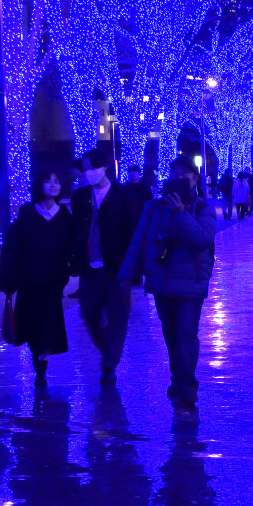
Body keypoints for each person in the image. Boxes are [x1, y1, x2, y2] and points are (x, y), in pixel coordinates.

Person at [119, 157, 217, 410]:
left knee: (186, 334)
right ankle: (177, 380)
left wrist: (181, 214)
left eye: (184, 175)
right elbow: (138, 242)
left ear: (195, 179)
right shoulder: (154, 207)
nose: (178, 179)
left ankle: (187, 387)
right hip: (161, 282)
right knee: (171, 335)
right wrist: (126, 275)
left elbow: (202, 240)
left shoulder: (202, 209)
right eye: (174, 174)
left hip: (191, 284)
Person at [69, 143, 139, 385]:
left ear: (105, 167)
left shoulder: (124, 195)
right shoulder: (79, 197)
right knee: (88, 314)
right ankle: (109, 353)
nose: (89, 172)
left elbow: (133, 232)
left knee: (117, 317)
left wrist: (132, 267)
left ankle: (110, 363)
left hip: (116, 267)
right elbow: (75, 230)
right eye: (85, 168)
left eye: (93, 167)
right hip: (89, 267)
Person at [0, 168, 76, 383]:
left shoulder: (65, 219)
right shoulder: (26, 216)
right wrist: (8, 282)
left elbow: (72, 248)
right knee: (32, 323)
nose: (53, 184)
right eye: (48, 180)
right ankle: (37, 357)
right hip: (28, 281)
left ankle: (42, 363)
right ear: (39, 184)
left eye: (56, 180)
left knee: (49, 323)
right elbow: (11, 251)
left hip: (53, 281)